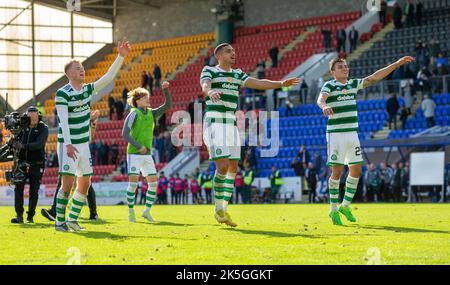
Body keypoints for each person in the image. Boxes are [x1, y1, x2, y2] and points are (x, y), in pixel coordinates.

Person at [200, 43, 300, 226]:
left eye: (234, 51)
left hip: (231, 124)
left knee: (233, 167)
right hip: (215, 122)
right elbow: (205, 85)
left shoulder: (237, 73)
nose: (233, 54)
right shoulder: (209, 70)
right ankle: (218, 209)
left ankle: (224, 208)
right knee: (221, 167)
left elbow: (259, 83)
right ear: (219, 55)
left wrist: (280, 83)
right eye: (229, 51)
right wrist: (210, 90)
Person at [317, 55, 414, 225]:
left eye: (346, 66)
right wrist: (324, 106)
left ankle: (345, 206)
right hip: (336, 134)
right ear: (333, 72)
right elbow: (321, 99)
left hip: (352, 134)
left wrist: (397, 64)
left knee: (356, 171)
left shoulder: (353, 84)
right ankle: (333, 210)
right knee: (337, 172)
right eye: (341, 67)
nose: (345, 68)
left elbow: (374, 77)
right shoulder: (329, 85)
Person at [53, 39, 130, 232]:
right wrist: (68, 145)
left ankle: (72, 219)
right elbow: (62, 121)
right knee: (67, 184)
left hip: (83, 144)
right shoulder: (62, 93)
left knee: (85, 183)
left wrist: (120, 55)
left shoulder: (87, 89)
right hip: (67, 144)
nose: (82, 70)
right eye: (78, 68)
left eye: (82, 68)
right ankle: (59, 222)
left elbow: (108, 77)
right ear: (69, 73)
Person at [122, 81, 172, 222]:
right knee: (133, 184)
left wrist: (165, 90)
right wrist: (139, 146)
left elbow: (168, 105)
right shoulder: (133, 114)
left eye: (147, 97)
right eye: (144, 97)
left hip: (147, 154)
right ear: (137, 101)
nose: (147, 99)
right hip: (134, 154)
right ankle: (131, 212)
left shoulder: (151, 113)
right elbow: (125, 134)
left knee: (153, 183)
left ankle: (146, 211)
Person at [10, 107, 49, 224]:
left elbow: (39, 144)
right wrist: (13, 143)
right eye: (30, 118)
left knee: (34, 190)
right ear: (26, 117)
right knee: (18, 188)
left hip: (37, 164)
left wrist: (22, 146)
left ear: (38, 116)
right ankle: (19, 215)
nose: (32, 120)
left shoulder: (43, 128)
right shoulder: (22, 127)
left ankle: (30, 216)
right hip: (21, 162)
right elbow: (13, 140)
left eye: (34, 117)